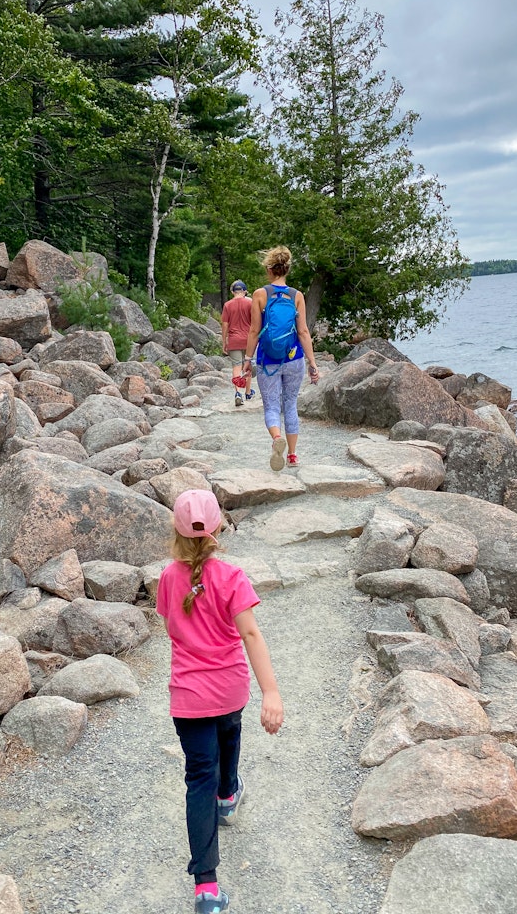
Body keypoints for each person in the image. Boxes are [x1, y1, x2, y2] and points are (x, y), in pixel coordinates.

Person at [157, 489, 284, 914]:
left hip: (188, 696)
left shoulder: (168, 579)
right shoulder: (232, 578)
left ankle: (206, 889)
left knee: (199, 779)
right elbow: (250, 634)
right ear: (217, 529)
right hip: (230, 689)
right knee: (230, 732)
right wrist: (271, 692)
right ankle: (229, 794)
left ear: (176, 530)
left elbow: (172, 626)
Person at [242, 246, 320, 470]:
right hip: (294, 357)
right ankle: (293, 456)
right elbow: (303, 332)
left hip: (268, 359)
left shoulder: (259, 295)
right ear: (287, 269)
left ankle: (277, 439)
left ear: (269, 269)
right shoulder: (296, 296)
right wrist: (313, 363)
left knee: (272, 407)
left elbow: (254, 331)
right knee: (290, 403)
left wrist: (247, 360)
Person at [221, 280, 255, 407]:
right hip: (249, 340)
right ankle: (248, 392)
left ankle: (238, 393)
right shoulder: (250, 303)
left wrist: (224, 341)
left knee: (236, 366)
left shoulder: (227, 305)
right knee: (248, 365)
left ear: (232, 292)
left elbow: (225, 325)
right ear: (245, 291)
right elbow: (256, 322)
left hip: (234, 340)